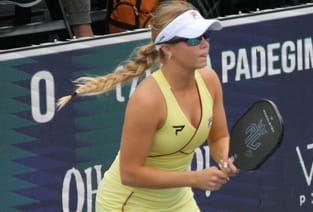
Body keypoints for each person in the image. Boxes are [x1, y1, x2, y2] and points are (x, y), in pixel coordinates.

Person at [57, 1, 239, 211]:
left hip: (177, 201)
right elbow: (130, 172)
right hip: (128, 205)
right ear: (167, 48)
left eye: (206, 36)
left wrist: (225, 157)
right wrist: (194, 178)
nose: (204, 43)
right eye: (193, 39)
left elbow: (219, 137)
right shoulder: (148, 100)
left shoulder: (210, 80)